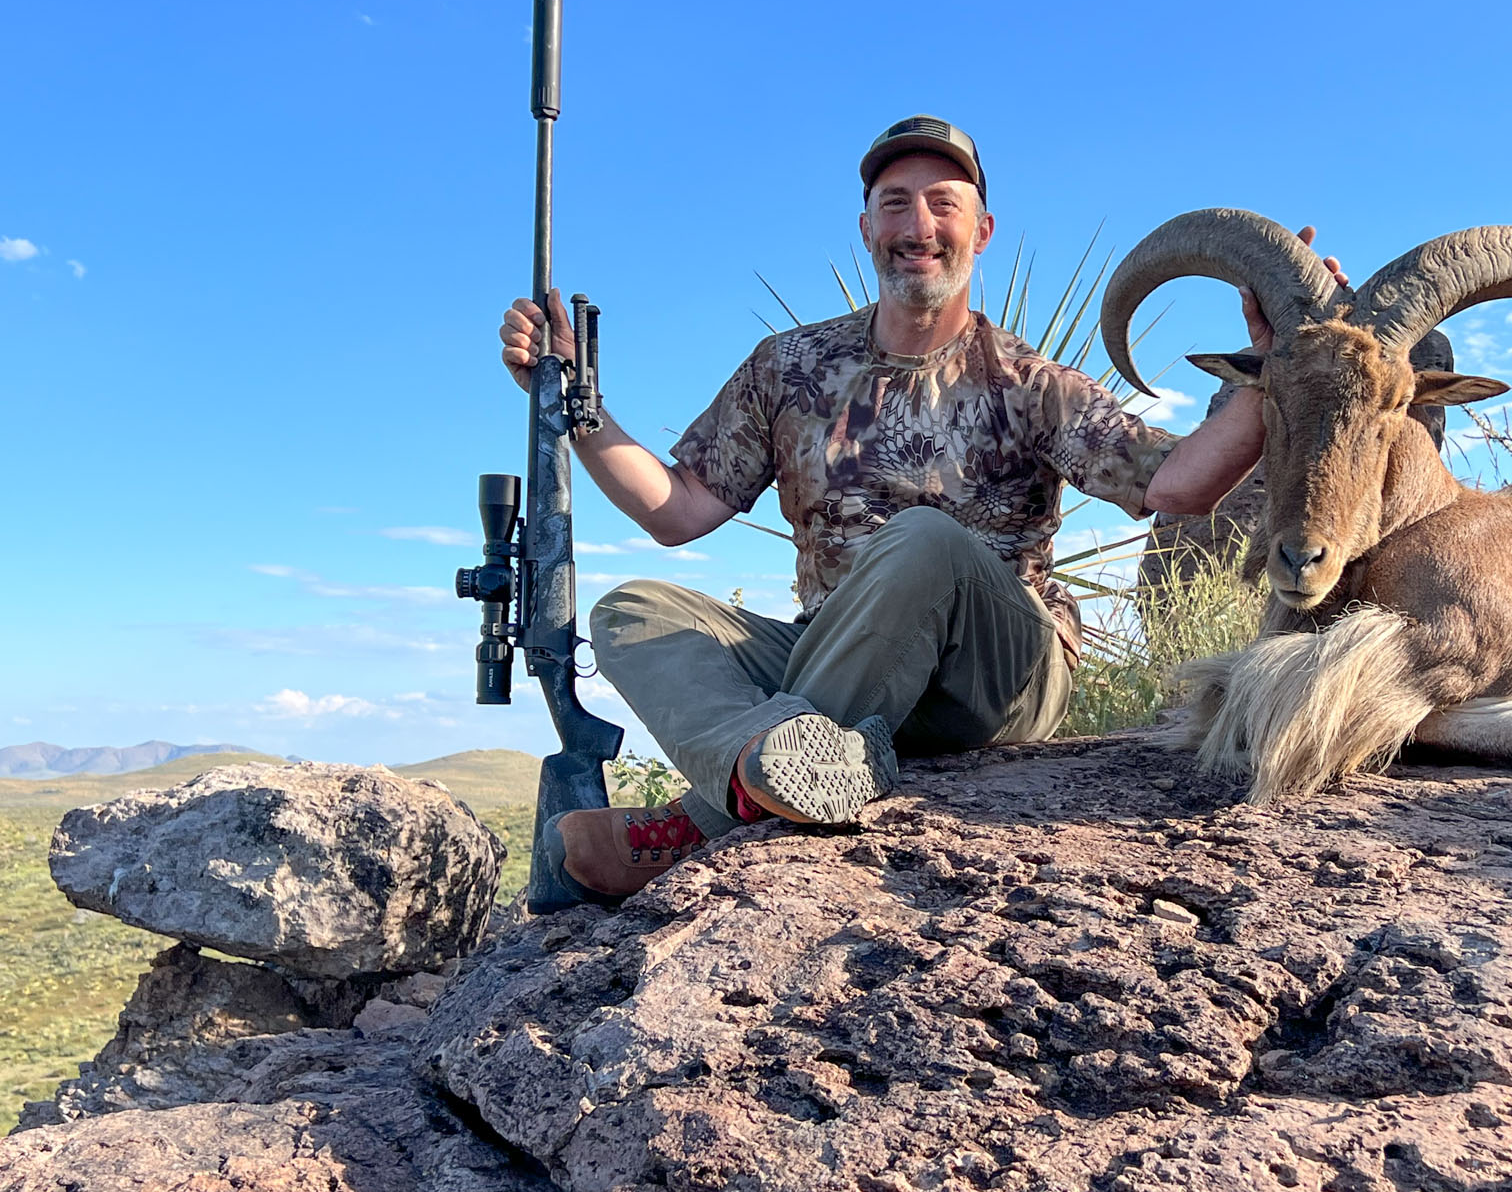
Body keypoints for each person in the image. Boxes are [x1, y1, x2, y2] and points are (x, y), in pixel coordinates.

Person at [497, 115, 1342, 907]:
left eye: (945, 203)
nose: (918, 223)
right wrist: (576, 408)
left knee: (926, 541)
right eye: (894, 202)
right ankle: (767, 767)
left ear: (981, 231)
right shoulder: (788, 367)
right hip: (841, 646)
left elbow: (1179, 486)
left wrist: (1275, 360)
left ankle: (699, 823)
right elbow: (677, 511)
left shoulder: (1026, 381)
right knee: (635, 610)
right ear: (865, 228)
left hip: (997, 674)